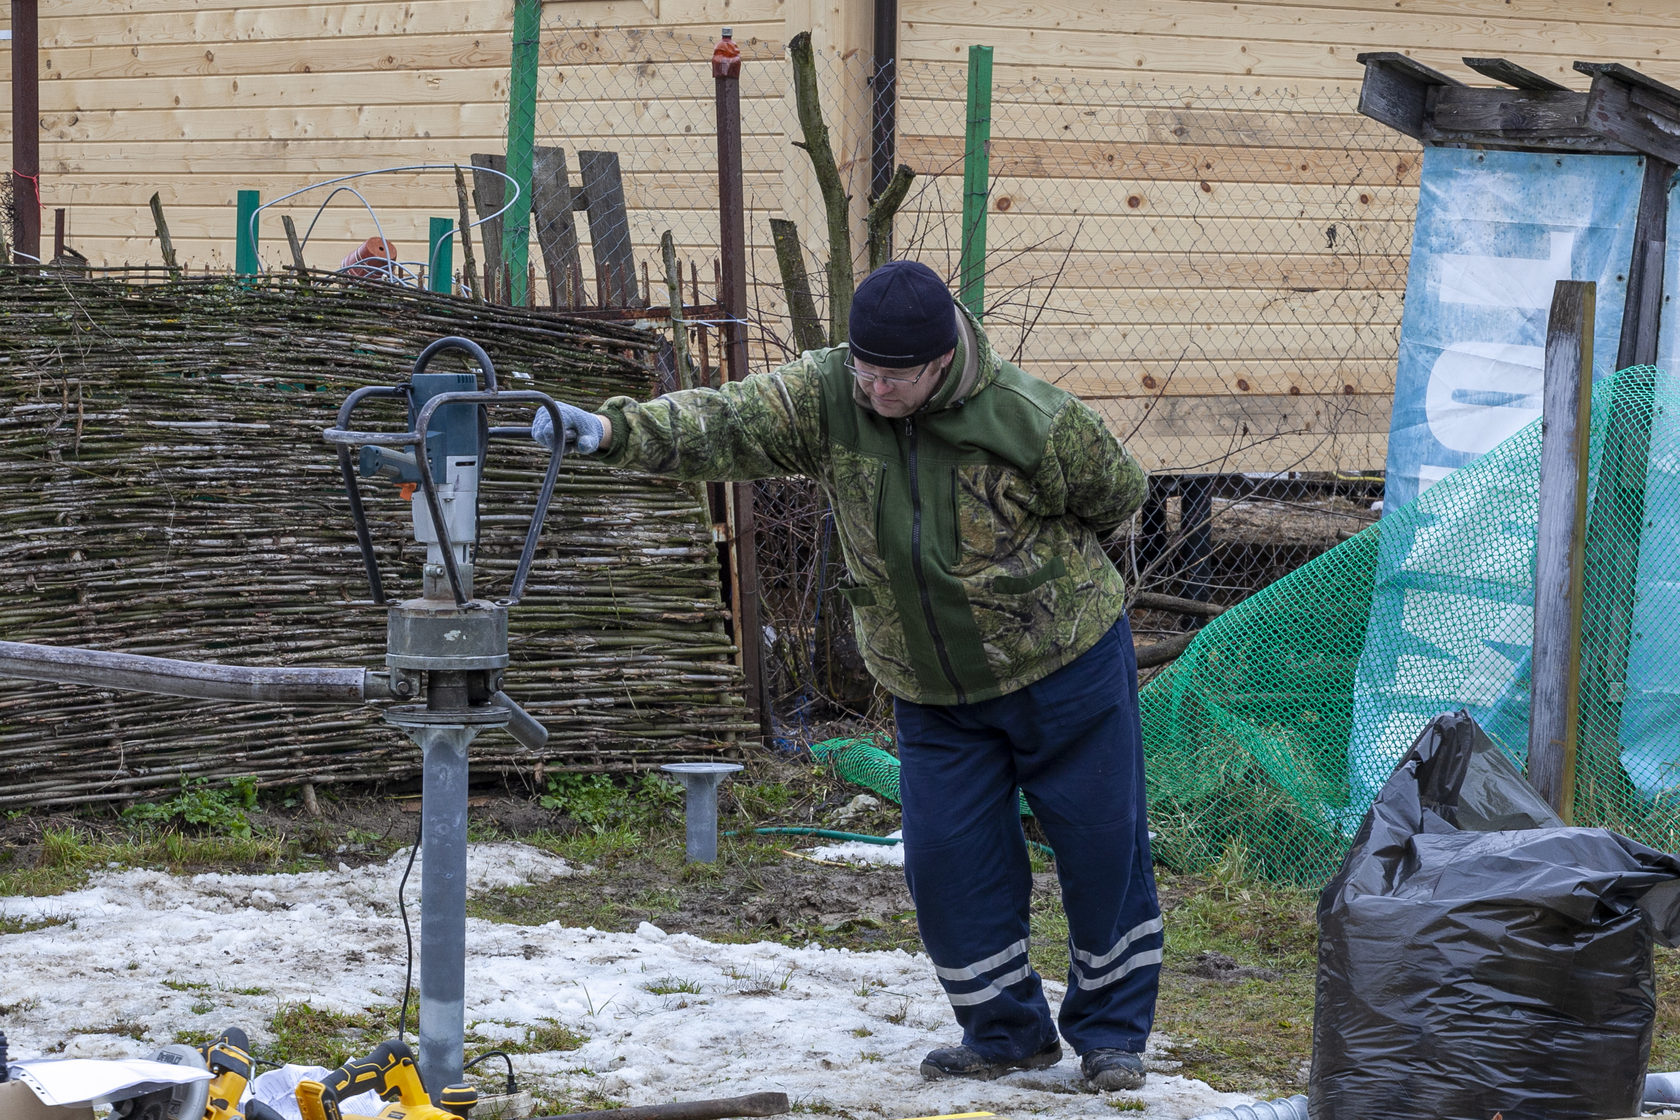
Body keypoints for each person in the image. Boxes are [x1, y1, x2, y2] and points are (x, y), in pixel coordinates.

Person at [533, 259, 1161, 1092]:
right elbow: (725, 422)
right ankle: (1007, 1033)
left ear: (941, 362)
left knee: (1101, 848)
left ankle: (1112, 1037)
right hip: (932, 691)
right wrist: (613, 432)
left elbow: (1118, 496)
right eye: (863, 365)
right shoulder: (831, 396)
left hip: (1064, 668)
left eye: (892, 374)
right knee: (945, 863)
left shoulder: (1031, 418)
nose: (873, 385)